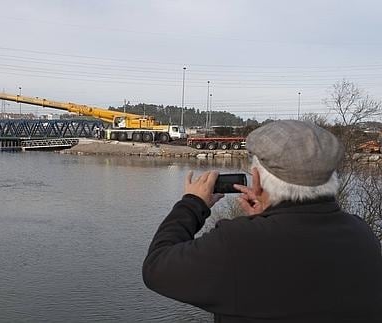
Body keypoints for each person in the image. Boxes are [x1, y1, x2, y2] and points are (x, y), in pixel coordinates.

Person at [142, 120, 382, 323]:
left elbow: (157, 268)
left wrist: (192, 203)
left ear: (256, 179)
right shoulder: (363, 235)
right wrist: (265, 221)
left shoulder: (237, 243)